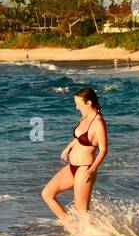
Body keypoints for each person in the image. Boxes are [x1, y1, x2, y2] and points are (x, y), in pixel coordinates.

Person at [41, 87, 108, 225]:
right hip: (73, 166)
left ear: (88, 103)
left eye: (78, 103)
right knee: (47, 194)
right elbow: (79, 137)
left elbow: (103, 150)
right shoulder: (85, 117)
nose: (76, 107)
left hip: (85, 168)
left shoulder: (98, 122)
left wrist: (92, 170)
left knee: (82, 211)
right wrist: (69, 147)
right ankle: (72, 227)